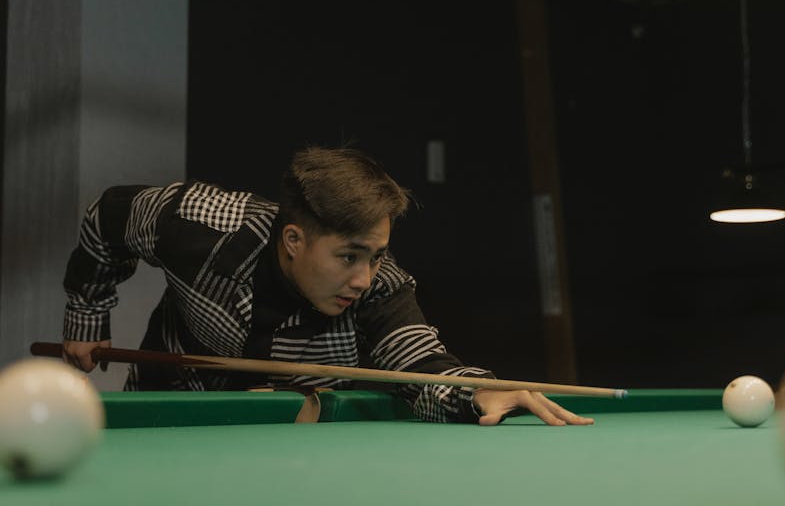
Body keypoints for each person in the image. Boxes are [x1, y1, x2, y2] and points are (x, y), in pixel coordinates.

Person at [61, 146, 593, 426]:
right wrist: (88, 314)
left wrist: (479, 388)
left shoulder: (382, 290)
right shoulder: (201, 226)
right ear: (294, 239)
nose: (362, 278)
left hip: (296, 438)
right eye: (347, 257)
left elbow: (422, 363)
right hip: (167, 405)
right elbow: (108, 219)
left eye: (376, 255)